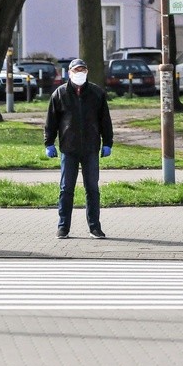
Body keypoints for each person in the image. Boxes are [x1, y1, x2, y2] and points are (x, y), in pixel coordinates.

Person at [44, 58, 114, 239]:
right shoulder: (59, 94)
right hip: (69, 148)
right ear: (69, 72)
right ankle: (63, 227)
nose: (80, 73)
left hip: (91, 148)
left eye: (83, 69)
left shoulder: (97, 94)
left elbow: (105, 121)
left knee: (92, 189)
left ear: (87, 72)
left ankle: (94, 227)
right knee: (66, 189)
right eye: (77, 70)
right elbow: (51, 121)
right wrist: (49, 142)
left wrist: (108, 142)